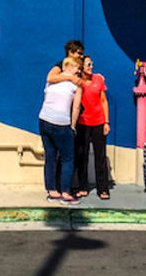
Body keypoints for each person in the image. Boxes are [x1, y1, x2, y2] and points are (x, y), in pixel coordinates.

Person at [39, 54, 83, 203]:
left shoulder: (52, 80)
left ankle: (52, 191)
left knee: (50, 156)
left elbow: (47, 96)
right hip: (61, 123)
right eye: (77, 67)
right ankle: (65, 193)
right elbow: (76, 107)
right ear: (69, 67)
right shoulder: (76, 84)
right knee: (68, 158)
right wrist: (72, 126)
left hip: (44, 119)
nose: (79, 71)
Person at [72, 55, 111, 200]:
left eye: (92, 64)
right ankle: (83, 186)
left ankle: (103, 188)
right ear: (81, 66)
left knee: (100, 157)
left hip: (98, 122)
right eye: (88, 64)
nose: (91, 66)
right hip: (83, 124)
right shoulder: (77, 82)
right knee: (82, 155)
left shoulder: (99, 79)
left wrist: (106, 122)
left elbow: (104, 101)